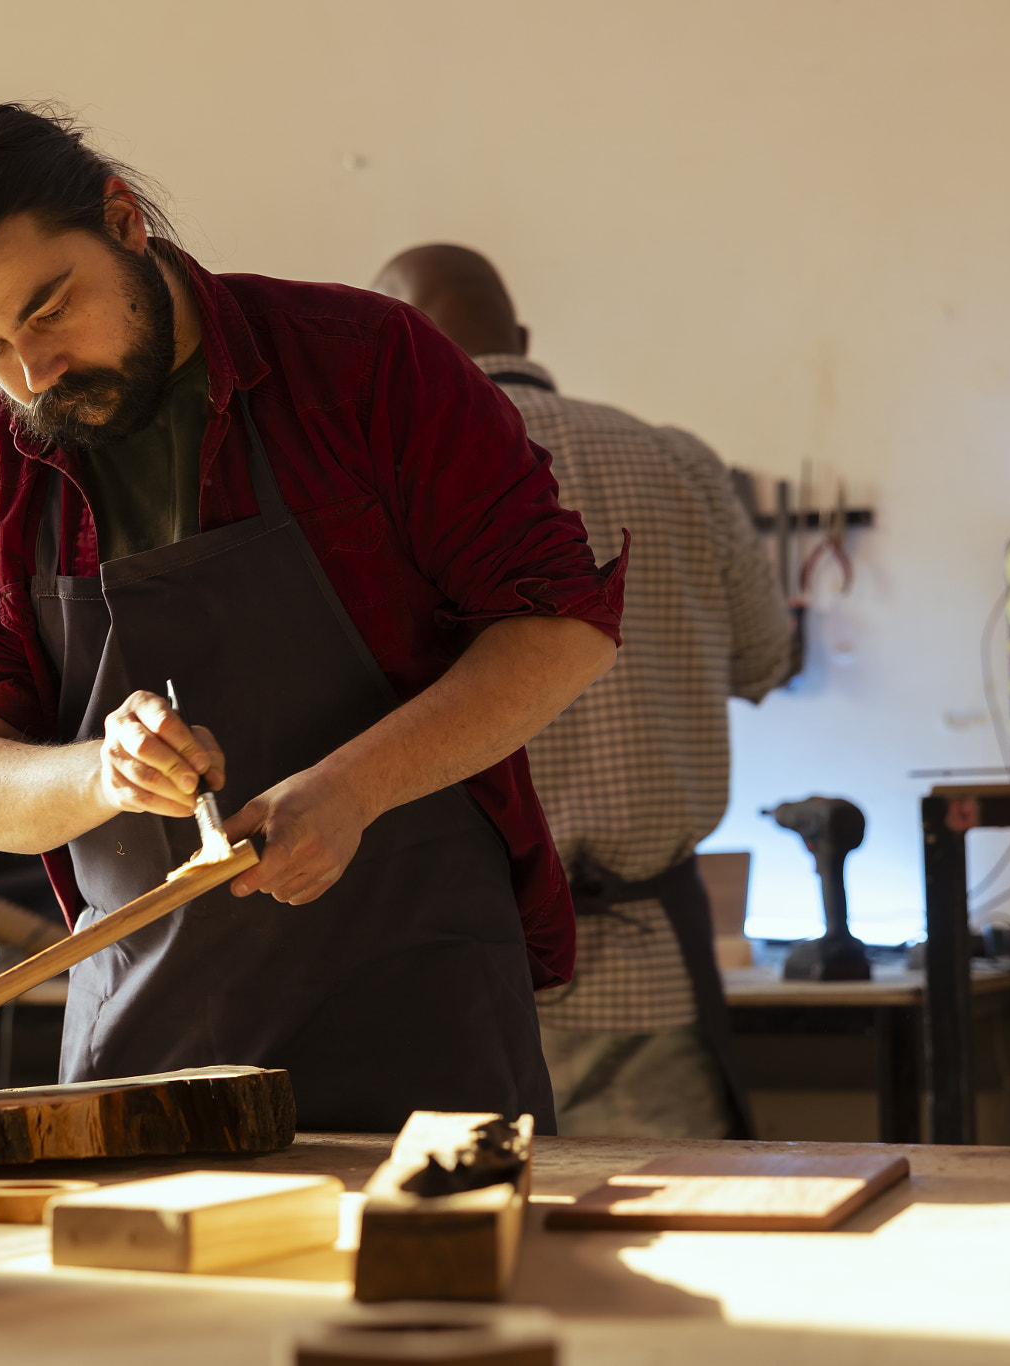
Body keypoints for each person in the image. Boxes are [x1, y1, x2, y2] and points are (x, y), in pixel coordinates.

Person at [0, 105, 625, 1133]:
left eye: (51, 310)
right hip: (147, 1052)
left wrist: (349, 788)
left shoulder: (363, 365)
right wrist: (100, 772)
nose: (34, 375)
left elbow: (559, 627)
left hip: (420, 1016)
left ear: (122, 223)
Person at [374, 244, 790, 1139]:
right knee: (680, 1243)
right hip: (651, 975)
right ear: (520, 336)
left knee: (472, 1250)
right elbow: (767, 660)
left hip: (466, 977)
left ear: (397, 350)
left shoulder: (382, 484)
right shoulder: (678, 461)